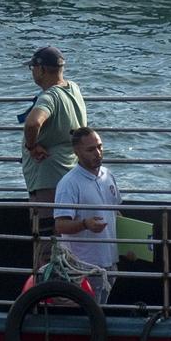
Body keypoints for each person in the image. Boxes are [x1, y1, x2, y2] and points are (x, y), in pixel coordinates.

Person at [19, 46, 86, 257]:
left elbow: (32, 124)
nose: (32, 72)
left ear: (41, 69)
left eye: (33, 67)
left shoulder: (49, 97)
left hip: (47, 180)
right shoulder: (73, 89)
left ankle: (48, 285)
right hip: (69, 174)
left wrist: (32, 146)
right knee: (66, 238)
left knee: (47, 241)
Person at [52, 127, 121, 298]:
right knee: (90, 312)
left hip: (110, 262)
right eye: (91, 149)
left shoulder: (108, 175)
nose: (98, 153)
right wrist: (85, 224)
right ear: (76, 152)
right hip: (84, 265)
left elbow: (116, 213)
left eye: (100, 146)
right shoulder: (69, 183)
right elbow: (60, 225)